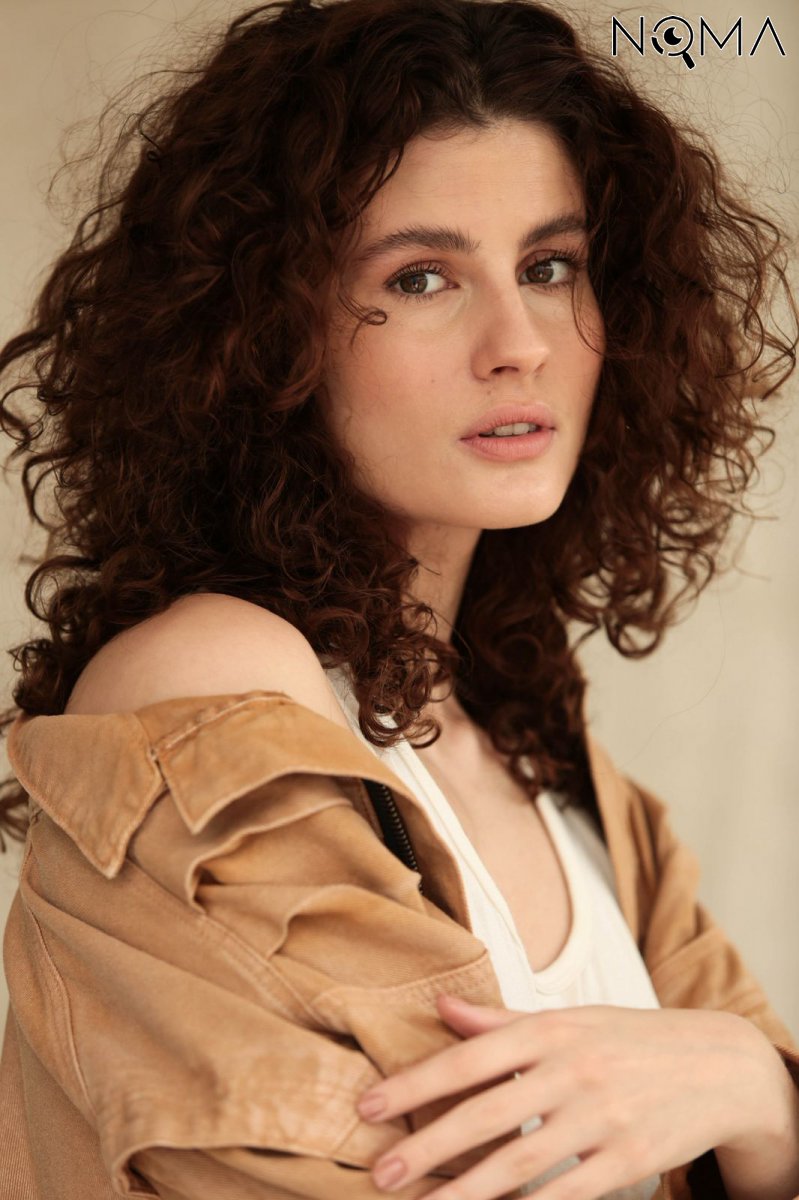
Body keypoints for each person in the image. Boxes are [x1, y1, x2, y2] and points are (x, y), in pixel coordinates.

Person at [0, 0, 797, 1196]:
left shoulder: (565, 780)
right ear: (262, 334)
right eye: (420, 277)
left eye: (549, 266)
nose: (519, 342)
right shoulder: (207, 687)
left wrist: (755, 1087)